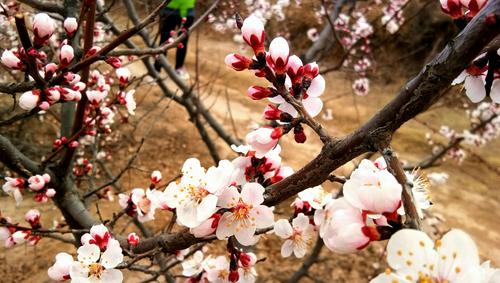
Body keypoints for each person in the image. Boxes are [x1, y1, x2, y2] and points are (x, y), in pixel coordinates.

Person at [155, 0, 195, 80]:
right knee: (164, 40)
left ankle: (179, 68)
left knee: (183, 42)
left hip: (188, 11)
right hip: (170, 9)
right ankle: (156, 69)